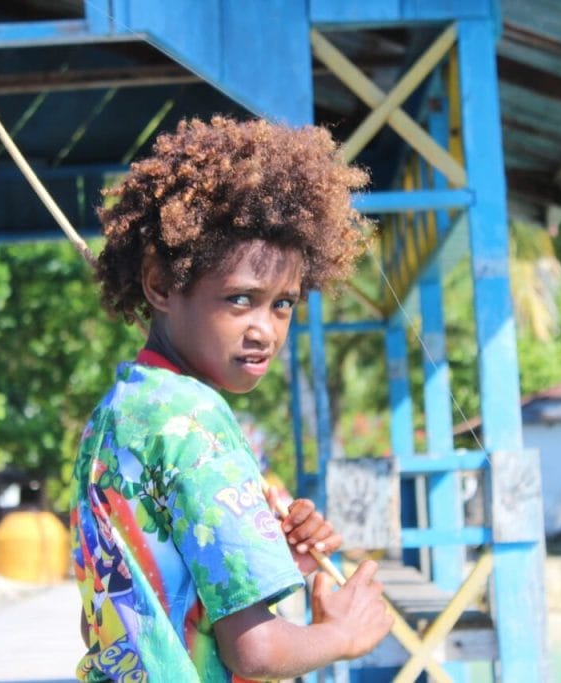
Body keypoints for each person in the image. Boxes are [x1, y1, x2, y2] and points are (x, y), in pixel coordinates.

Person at [71, 116, 394, 682]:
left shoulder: (115, 418)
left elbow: (106, 615)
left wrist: (267, 554)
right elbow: (256, 652)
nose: (265, 330)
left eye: (283, 304)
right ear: (162, 286)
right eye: (240, 299)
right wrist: (341, 634)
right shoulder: (196, 423)